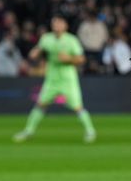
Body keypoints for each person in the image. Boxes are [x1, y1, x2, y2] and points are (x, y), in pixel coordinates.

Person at [13, 15, 96, 143]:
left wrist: (68, 59)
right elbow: (39, 50)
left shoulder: (71, 40)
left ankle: (90, 131)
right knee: (41, 104)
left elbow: (81, 59)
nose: (56, 26)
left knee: (77, 107)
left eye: (59, 23)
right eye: (54, 23)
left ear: (65, 25)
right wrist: (34, 53)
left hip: (68, 79)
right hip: (52, 79)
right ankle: (28, 131)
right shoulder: (47, 38)